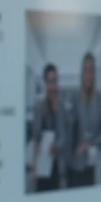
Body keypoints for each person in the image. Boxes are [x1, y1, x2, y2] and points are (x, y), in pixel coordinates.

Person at [68, 52, 101, 188]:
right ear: (82, 73)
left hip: (91, 162)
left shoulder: (99, 98)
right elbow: (68, 128)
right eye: (86, 70)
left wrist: (89, 143)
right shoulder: (74, 97)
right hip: (75, 163)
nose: (89, 75)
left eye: (92, 70)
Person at [29, 63, 66, 192]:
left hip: (56, 165)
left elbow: (63, 135)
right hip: (42, 165)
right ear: (45, 83)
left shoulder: (61, 106)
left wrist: (56, 110)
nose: (52, 86)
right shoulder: (39, 107)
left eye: (55, 81)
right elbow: (35, 138)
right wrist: (33, 165)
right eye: (50, 82)